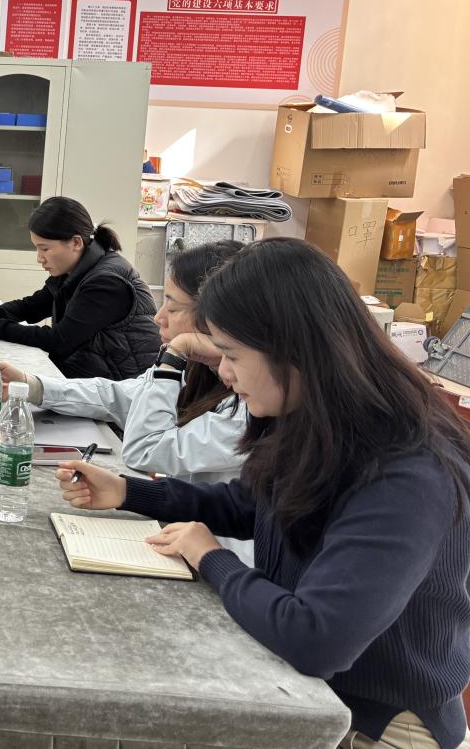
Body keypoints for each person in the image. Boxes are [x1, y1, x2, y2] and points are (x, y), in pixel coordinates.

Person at [57, 238, 470, 749]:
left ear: (291, 348)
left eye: (231, 355)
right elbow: (248, 504)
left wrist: (211, 558)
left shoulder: (407, 471)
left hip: (377, 724)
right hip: (307, 694)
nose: (224, 374)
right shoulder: (317, 417)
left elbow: (318, 639)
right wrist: (127, 492)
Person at [1, 240, 252, 562]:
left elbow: (146, 450)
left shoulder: (247, 405)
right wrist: (34, 386)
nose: (158, 317)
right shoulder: (201, 369)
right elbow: (120, 396)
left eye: (173, 308)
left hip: (221, 557)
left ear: (214, 318)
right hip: (186, 537)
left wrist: (173, 357)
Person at [0, 196, 160, 380]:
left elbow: (58, 340)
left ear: (76, 243)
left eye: (45, 249)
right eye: (37, 249)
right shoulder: (75, 268)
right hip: (90, 377)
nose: (39, 258)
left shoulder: (106, 283)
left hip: (122, 387)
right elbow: (33, 306)